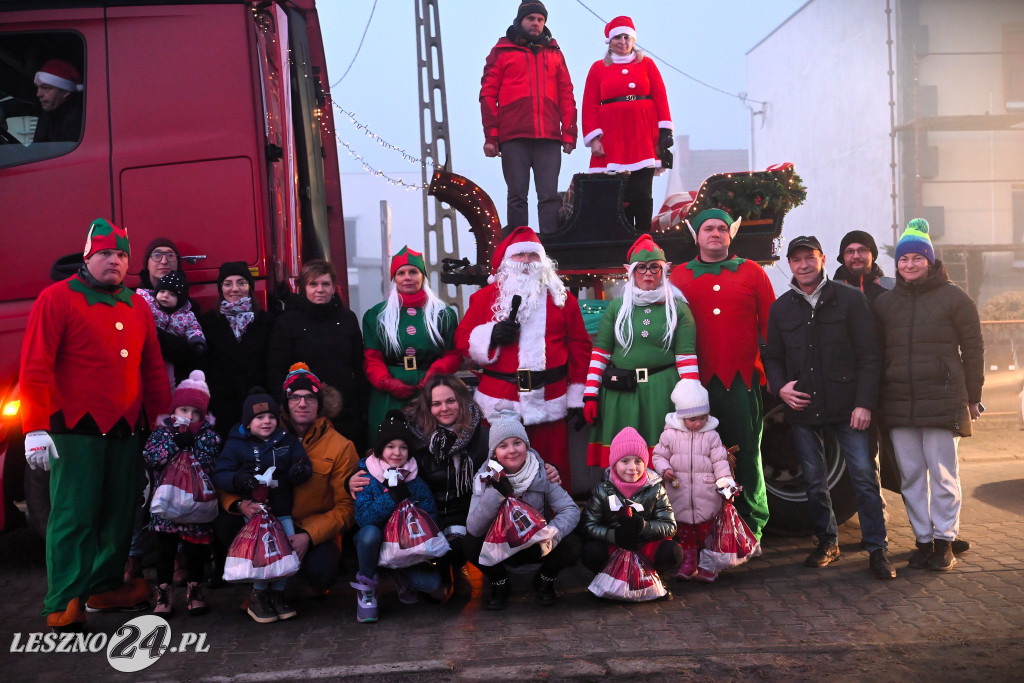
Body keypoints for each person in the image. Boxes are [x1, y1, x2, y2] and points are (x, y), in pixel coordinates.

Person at [20, 218, 170, 631]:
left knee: (120, 514)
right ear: (88, 257)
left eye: (121, 255)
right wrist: (34, 427)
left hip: (126, 429)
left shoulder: (137, 304)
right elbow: (35, 366)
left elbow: (153, 368)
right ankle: (63, 599)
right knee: (74, 515)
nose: (115, 262)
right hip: (74, 430)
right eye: (106, 254)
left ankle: (103, 588)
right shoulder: (56, 299)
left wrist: (161, 421)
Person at [763, 236, 896, 580]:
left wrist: (865, 403)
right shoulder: (781, 308)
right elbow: (773, 356)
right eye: (797, 260)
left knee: (864, 477)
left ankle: (877, 547)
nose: (804, 265)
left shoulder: (850, 300)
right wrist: (780, 388)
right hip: (803, 408)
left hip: (848, 407)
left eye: (810, 257)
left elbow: (870, 355)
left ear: (822, 259)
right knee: (813, 480)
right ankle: (827, 542)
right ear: (790, 265)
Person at [873, 219, 984, 572]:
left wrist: (973, 396)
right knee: (910, 476)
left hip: (943, 399)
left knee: (943, 474)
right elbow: (876, 354)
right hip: (899, 402)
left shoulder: (955, 297)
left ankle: (945, 542)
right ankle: (922, 541)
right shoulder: (886, 303)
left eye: (917, 258)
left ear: (930, 261)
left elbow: (974, 349)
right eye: (904, 259)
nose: (909, 264)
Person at [454, 227, 591, 492]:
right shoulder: (484, 299)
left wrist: (579, 394)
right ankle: (502, 527)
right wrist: (492, 334)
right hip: (501, 399)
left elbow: (580, 346)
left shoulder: (563, 299)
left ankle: (556, 523)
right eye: (520, 256)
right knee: (501, 474)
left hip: (550, 398)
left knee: (553, 472)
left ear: (543, 261)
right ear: (507, 261)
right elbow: (462, 340)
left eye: (533, 255)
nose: (527, 261)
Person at [669, 208, 774, 540]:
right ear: (696, 236)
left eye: (722, 229)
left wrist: (775, 376)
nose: (715, 233)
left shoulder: (753, 272)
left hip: (741, 382)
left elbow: (772, 327)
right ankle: (704, 528)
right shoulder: (679, 276)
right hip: (694, 386)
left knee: (746, 455)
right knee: (697, 462)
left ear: (731, 235)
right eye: (708, 228)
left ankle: (751, 527)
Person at [218, 362, 358, 596]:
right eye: (294, 397)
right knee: (224, 523)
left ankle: (296, 577)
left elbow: (347, 507)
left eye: (310, 398)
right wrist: (240, 504)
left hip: (307, 525)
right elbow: (227, 475)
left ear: (319, 404)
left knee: (322, 573)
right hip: (263, 520)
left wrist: (309, 536)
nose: (302, 404)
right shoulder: (262, 428)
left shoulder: (341, 446)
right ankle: (258, 588)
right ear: (285, 402)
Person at [583, 233, 699, 467]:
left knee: (663, 460)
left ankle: (660, 503)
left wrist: (692, 403)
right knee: (623, 460)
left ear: (664, 270)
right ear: (631, 271)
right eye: (642, 267)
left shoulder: (678, 308)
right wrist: (590, 395)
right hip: (621, 393)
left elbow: (686, 358)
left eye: (654, 267)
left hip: (662, 392)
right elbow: (601, 354)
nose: (648, 273)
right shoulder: (617, 307)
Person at [464, 407, 581, 610]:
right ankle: (500, 583)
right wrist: (496, 493)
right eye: (503, 445)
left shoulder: (542, 473)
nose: (512, 450)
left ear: (526, 446)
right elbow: (474, 527)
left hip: (536, 543)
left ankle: (544, 579)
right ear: (495, 452)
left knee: (573, 543)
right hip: (500, 546)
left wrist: (551, 532)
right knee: (470, 544)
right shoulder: (484, 478)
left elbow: (570, 510)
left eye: (517, 443)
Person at [213, 388, 313, 623]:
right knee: (261, 552)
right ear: (248, 423)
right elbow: (220, 474)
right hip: (255, 512)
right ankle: (259, 594)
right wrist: (238, 479)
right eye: (259, 417)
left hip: (282, 509)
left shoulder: (286, 440)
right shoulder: (236, 444)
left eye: (270, 416)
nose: (266, 421)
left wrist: (300, 470)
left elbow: (302, 462)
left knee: (285, 551)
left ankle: (278, 593)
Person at [480, 1, 577, 234]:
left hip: (549, 136)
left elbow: (566, 93)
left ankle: (551, 252)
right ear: (520, 21)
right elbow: (487, 94)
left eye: (540, 20)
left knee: (549, 197)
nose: (536, 23)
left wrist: (569, 133)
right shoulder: (501, 52)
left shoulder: (554, 53)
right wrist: (491, 136)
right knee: (516, 196)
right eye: (531, 19)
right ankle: (518, 248)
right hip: (514, 136)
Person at [351, 410, 446, 623]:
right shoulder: (367, 477)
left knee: (431, 584)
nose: (397, 452)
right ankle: (367, 589)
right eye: (390, 446)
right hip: (374, 545)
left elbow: (430, 515)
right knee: (369, 534)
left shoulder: (415, 480)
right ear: (380, 449)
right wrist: (391, 497)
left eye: (403, 447)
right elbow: (363, 518)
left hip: (405, 548)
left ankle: (400, 575)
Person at [581, 16, 673, 231]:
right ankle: (623, 235)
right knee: (619, 192)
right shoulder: (597, 68)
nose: (622, 42)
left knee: (642, 191)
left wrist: (665, 131)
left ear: (633, 40)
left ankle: (643, 236)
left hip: (643, 134)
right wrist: (594, 139)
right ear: (609, 42)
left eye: (627, 37)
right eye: (618, 38)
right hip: (612, 136)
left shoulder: (647, 64)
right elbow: (589, 105)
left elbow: (661, 97)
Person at [142, 370, 221, 616]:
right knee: (165, 551)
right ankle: (164, 593)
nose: (189, 416)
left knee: (195, 551)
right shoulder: (161, 432)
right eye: (184, 410)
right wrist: (176, 443)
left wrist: (194, 446)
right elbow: (151, 457)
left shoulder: (209, 436)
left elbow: (211, 463)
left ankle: (195, 591)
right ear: (174, 410)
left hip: (196, 505)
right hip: (167, 505)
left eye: (195, 412)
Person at [268, 259, 368, 450]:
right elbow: (276, 367)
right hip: (303, 410)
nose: (319, 289)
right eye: (313, 284)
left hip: (346, 410)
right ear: (303, 288)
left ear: (334, 287)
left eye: (325, 284)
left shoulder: (347, 318)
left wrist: (363, 405)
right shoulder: (287, 321)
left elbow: (358, 364)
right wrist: (286, 405)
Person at [362, 246, 460, 440]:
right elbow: (371, 358)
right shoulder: (376, 316)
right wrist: (386, 381)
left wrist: (436, 372)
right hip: (388, 393)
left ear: (422, 276)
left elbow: (453, 354)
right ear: (394, 279)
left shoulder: (443, 314)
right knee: (389, 445)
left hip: (431, 390)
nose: (407, 277)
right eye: (401, 273)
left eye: (413, 272)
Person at [651, 381, 736, 582]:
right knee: (685, 533)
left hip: (706, 492)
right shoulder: (669, 434)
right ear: (681, 416)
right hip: (679, 491)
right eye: (692, 419)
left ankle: (709, 565)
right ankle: (689, 563)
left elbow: (719, 461)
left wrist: (726, 484)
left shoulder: (711, 436)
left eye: (702, 418)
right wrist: (664, 469)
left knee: (708, 532)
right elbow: (658, 456)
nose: (697, 423)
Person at [581, 427, 681, 587]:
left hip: (645, 544)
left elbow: (669, 525)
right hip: (614, 545)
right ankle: (606, 578)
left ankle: (655, 577)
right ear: (614, 464)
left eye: (638, 461)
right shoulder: (603, 489)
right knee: (591, 550)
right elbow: (588, 524)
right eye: (625, 461)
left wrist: (644, 527)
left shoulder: (656, 488)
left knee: (672, 551)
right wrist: (614, 535)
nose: (632, 467)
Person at [199, 261, 275, 440]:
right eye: (228, 283)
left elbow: (272, 365)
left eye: (241, 282)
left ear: (250, 287)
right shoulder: (206, 323)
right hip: (221, 408)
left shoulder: (268, 322)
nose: (235, 289)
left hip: (258, 408)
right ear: (220, 288)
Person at [137, 271, 207, 384]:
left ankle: (171, 391)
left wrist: (197, 342)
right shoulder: (149, 303)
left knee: (168, 376)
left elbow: (194, 329)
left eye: (172, 294)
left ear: (180, 300)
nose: (165, 295)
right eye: (162, 291)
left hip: (168, 354)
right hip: (147, 347)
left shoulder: (186, 316)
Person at [833, 230, 893, 303]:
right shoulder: (831, 291)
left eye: (862, 250)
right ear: (843, 258)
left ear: (873, 255)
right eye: (850, 251)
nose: (856, 256)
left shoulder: (893, 287)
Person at [32, 59, 83, 143]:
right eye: (38, 87)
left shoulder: (76, 121)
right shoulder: (49, 117)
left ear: (66, 92)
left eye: (46, 87)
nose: (38, 94)